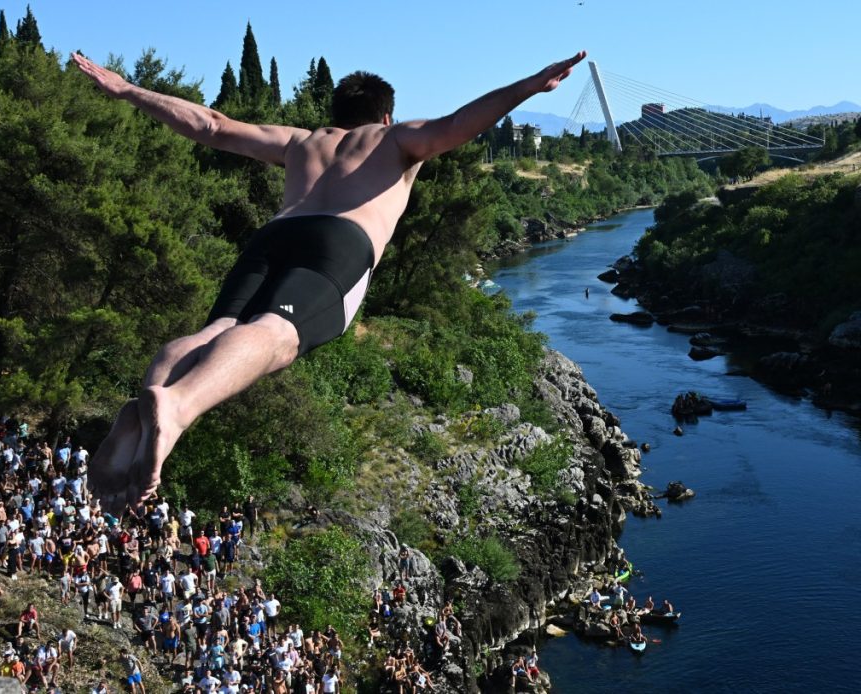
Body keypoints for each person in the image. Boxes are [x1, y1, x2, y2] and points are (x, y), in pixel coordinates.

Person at [72, 49, 587, 512]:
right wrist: (528, 86)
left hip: (274, 237)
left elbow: (211, 125)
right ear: (384, 113)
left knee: (218, 331)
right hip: (339, 241)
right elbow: (461, 123)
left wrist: (128, 89)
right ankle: (178, 406)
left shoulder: (301, 142)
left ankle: (151, 402)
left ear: (334, 115)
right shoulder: (395, 137)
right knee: (276, 336)